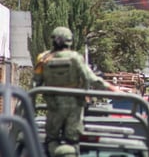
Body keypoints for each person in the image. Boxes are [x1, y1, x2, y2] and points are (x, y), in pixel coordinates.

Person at [32, 26, 120, 157]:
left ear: (52, 40)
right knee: (72, 141)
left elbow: (35, 84)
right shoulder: (76, 58)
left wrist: (29, 106)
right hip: (74, 108)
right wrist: (113, 89)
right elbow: (91, 78)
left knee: (51, 139)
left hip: (53, 106)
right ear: (70, 40)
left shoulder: (43, 59)